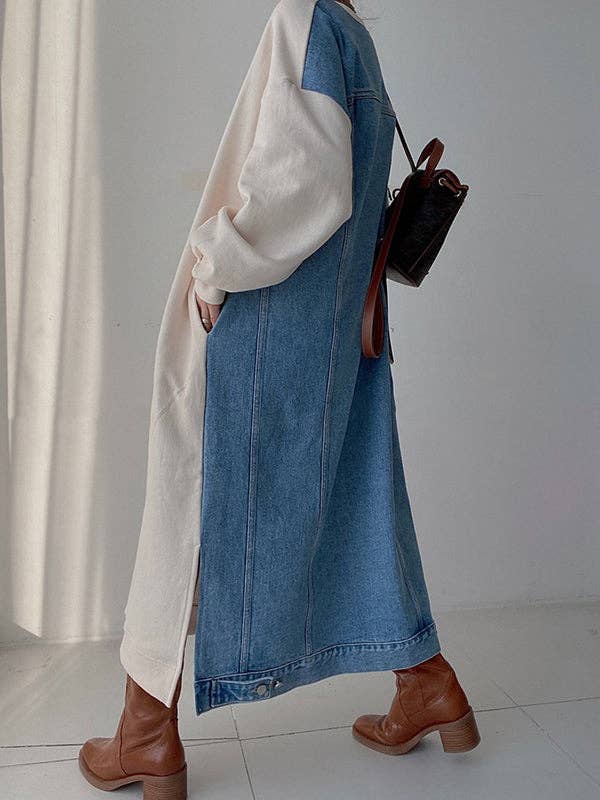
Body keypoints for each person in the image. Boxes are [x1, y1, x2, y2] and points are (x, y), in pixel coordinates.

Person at [78, 1, 479, 796]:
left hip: (267, 321)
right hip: (335, 328)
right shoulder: (350, 30)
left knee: (191, 496)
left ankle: (146, 731)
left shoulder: (306, 17)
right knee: (357, 493)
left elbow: (307, 178)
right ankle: (427, 682)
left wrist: (216, 266)